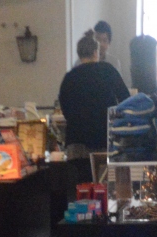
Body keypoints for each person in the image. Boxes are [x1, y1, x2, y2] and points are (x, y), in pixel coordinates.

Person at [58, 32, 130, 184]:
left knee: (82, 189)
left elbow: (65, 109)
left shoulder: (69, 77)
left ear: (79, 54)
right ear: (96, 52)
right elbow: (126, 99)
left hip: (77, 142)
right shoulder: (107, 70)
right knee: (105, 188)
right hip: (105, 140)